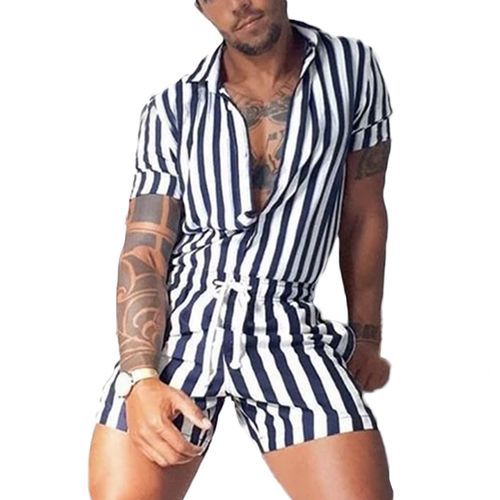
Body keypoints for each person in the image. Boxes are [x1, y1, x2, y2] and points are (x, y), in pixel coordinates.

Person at [88, 1, 394, 498]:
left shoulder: (352, 68)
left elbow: (363, 212)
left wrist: (367, 335)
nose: (238, 4)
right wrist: (141, 377)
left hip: (288, 328)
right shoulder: (172, 108)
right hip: (182, 331)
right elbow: (145, 247)